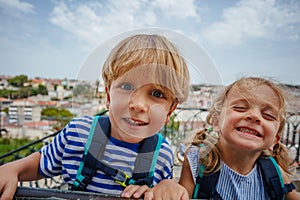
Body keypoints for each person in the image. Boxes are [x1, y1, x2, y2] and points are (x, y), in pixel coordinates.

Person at [0, 34, 190, 199]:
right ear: (108, 96)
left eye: (157, 94)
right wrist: (13, 170)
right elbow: (41, 163)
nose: (138, 105)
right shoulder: (78, 132)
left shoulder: (161, 154)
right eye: (127, 87)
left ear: (170, 111)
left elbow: (161, 190)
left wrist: (168, 186)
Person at [144, 77, 300, 200]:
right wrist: (169, 185)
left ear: (275, 139)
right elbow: (182, 193)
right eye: (240, 108)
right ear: (216, 122)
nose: (254, 116)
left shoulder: (273, 171)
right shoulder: (198, 160)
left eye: (268, 115)